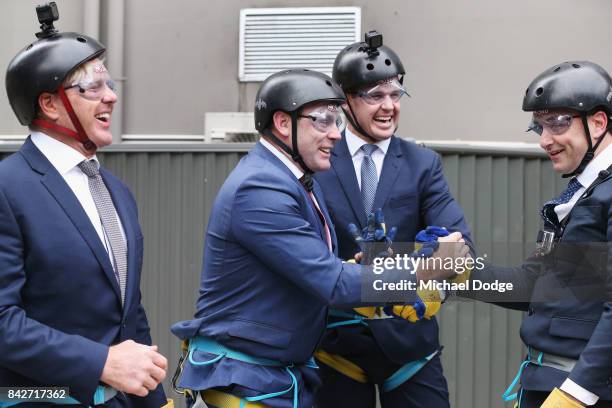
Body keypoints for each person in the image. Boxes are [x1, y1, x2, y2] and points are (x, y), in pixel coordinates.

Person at [171, 68, 469, 408]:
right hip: (246, 381)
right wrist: (423, 270)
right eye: (323, 121)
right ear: (284, 124)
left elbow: (316, 268)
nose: (336, 134)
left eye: (336, 121)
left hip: (271, 380)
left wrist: (356, 267)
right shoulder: (261, 188)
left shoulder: (291, 181)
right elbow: (332, 283)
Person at [0, 3, 168, 407]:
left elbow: (129, 314)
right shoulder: (7, 188)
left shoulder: (117, 192)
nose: (110, 97)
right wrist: (101, 362)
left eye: (110, 85)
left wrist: (156, 399)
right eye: (92, 87)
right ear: (50, 104)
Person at [313, 31, 473, 408]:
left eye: (396, 94)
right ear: (346, 101)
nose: (389, 107)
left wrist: (391, 270)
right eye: (375, 96)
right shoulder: (317, 161)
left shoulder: (423, 165)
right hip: (334, 347)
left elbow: (461, 247)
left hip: (410, 345)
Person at [463, 61, 612, 407]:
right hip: (547, 382)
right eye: (539, 126)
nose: (545, 140)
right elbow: (535, 285)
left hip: (584, 392)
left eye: (557, 123)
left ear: (599, 122)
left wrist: (576, 395)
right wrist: (461, 274)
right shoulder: (582, 192)